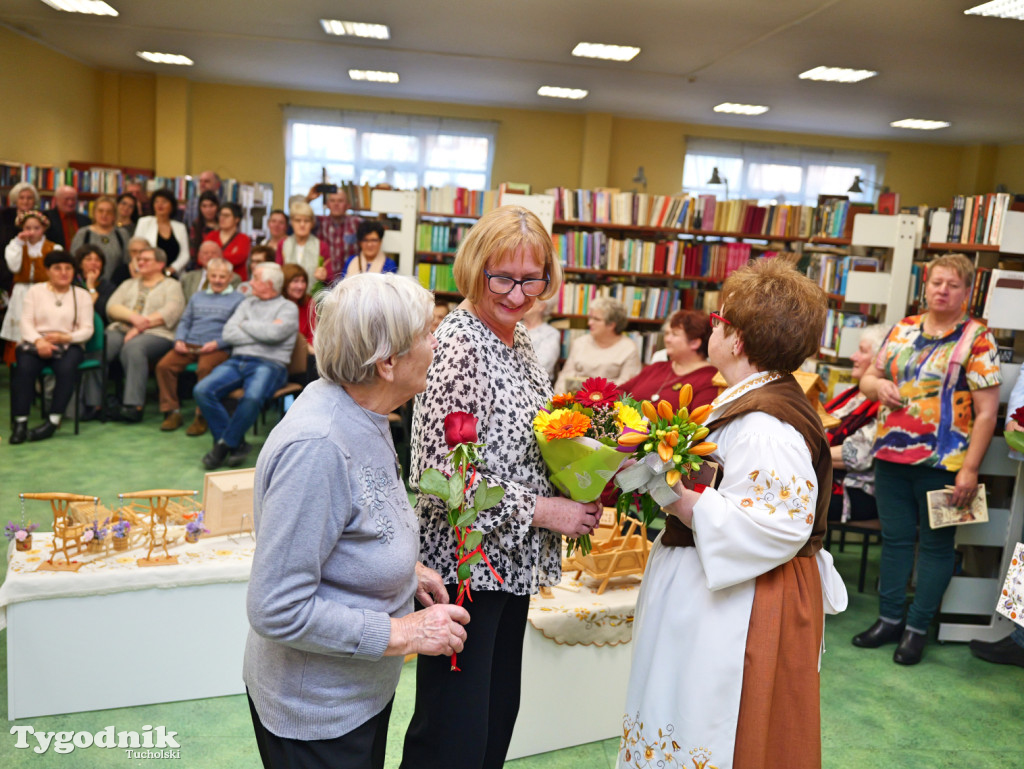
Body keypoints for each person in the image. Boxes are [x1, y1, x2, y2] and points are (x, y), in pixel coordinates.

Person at [620, 257, 846, 769]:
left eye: (719, 320)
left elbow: (779, 523)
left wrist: (672, 494)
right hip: (717, 589)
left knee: (717, 724)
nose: (713, 328)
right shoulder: (750, 402)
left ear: (738, 339)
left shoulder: (767, 425)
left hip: (739, 604)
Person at [400, 206, 602, 769]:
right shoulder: (461, 346)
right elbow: (445, 479)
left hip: (506, 565)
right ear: (475, 270)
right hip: (467, 568)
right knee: (453, 733)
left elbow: (524, 443)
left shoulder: (518, 340)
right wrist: (547, 510)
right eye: (503, 278)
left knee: (491, 719)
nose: (517, 294)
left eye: (531, 279)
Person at [243, 272, 470, 769]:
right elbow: (275, 608)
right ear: (387, 362)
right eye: (427, 335)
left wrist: (403, 570)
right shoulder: (319, 446)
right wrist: (405, 634)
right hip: (317, 713)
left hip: (355, 693)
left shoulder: (364, 409)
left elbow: (354, 524)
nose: (437, 346)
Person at [853, 253, 1001, 666]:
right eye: (937, 282)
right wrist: (877, 385)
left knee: (936, 547)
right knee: (896, 541)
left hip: (947, 462)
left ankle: (917, 629)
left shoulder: (977, 338)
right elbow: (866, 378)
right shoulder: (902, 329)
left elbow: (987, 412)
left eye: (953, 285)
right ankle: (889, 621)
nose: (942, 290)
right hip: (891, 456)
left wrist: (970, 468)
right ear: (926, 285)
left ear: (968, 292)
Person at [193, 262, 298, 470]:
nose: (250, 282)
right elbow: (228, 333)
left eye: (255, 278)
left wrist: (245, 326)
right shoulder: (246, 304)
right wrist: (262, 333)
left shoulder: (288, 308)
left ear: (268, 284)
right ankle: (235, 442)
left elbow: (275, 335)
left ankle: (223, 446)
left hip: (270, 364)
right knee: (202, 390)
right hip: (237, 361)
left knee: (252, 397)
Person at [8, 250, 93, 444]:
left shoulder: (82, 295)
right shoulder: (35, 291)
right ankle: (20, 423)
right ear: (47, 271)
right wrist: (39, 341)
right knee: (25, 369)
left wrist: (66, 337)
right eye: (57, 268)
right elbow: (26, 323)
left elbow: (87, 329)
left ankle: (53, 421)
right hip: (36, 341)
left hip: (68, 343)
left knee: (66, 369)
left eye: (68, 268)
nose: (63, 272)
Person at [156, 256, 245, 435]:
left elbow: (239, 329)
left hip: (218, 347)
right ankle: (172, 411)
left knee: (205, 369)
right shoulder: (197, 297)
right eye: (213, 276)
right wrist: (179, 340)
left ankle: (202, 416)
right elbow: (185, 321)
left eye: (222, 276)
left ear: (230, 278)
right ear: (208, 276)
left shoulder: (239, 299)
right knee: (163, 366)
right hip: (189, 343)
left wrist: (217, 343)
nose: (218, 280)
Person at [104, 245, 185, 422]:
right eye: (139, 260)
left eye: (146, 259)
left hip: (158, 333)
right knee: (105, 344)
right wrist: (134, 319)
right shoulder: (128, 284)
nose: (140, 262)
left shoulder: (172, 285)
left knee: (134, 348)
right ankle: (93, 403)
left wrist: (141, 326)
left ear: (161, 263)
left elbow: (171, 311)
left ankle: (133, 406)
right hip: (123, 328)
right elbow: (112, 306)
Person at [822, 324, 889, 522]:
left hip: (853, 492)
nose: (853, 357)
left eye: (862, 351)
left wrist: (800, 452)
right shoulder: (853, 395)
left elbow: (855, 456)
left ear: (879, 361)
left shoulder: (883, 404)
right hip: (825, 479)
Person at [620, 308, 717, 408]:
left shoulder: (710, 380)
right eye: (666, 334)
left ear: (694, 343)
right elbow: (620, 392)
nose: (667, 339)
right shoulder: (657, 367)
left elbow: (699, 421)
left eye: (674, 334)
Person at [553, 296, 641, 393]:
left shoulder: (629, 348)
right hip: (574, 401)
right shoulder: (580, 343)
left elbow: (627, 387)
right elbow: (564, 379)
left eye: (596, 319)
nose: (590, 322)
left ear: (611, 325)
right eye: (590, 317)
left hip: (610, 404)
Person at [2, 210, 61, 350]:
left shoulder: (53, 248)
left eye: (36, 228)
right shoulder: (15, 246)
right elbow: (14, 267)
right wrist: (18, 244)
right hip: (22, 292)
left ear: (44, 229)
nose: (32, 232)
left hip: (46, 292)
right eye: (28, 228)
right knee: (21, 328)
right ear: (22, 229)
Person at [305, 186, 360, 283]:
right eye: (332, 201)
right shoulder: (318, 222)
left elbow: (374, 233)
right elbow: (299, 218)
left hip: (349, 281)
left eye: (340, 201)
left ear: (347, 205)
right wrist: (308, 199)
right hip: (323, 281)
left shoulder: (356, 223)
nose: (336, 204)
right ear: (327, 204)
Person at [69, 195, 129, 282]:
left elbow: (127, 262)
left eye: (109, 212)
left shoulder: (122, 234)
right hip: (86, 284)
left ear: (114, 215)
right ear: (94, 213)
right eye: (100, 211)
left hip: (116, 286)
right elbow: (74, 262)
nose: (104, 215)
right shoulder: (83, 233)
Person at [134, 188, 190, 275]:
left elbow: (185, 255)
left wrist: (171, 269)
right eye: (156, 201)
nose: (160, 205)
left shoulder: (180, 227)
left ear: (172, 206)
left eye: (164, 202)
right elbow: (136, 249)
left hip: (174, 274)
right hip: (148, 272)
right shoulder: (144, 222)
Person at [0, 182, 40, 293]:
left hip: (33, 271)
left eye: (29, 198)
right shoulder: (4, 216)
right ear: (15, 199)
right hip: (5, 270)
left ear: (34, 200)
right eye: (21, 198)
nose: (25, 201)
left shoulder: (41, 218)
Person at [275, 201, 325, 287]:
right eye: (298, 220)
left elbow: (329, 278)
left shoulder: (321, 246)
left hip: (312, 296)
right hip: (287, 295)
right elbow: (277, 273)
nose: (302, 225)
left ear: (312, 223)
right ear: (291, 222)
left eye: (306, 221)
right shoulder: (283, 244)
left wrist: (324, 275)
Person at [204, 202, 252, 281]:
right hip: (213, 280)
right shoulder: (211, 235)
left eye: (226, 216)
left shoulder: (243, 238)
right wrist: (227, 256)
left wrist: (213, 258)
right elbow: (201, 258)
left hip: (235, 280)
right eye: (221, 215)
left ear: (237, 219)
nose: (222, 218)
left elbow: (239, 258)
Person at [73, 244, 116, 322]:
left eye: (98, 260)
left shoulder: (108, 286)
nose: (94, 263)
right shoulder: (72, 283)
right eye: (88, 259)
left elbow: (101, 311)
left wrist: (91, 286)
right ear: (80, 264)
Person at [522, 298, 559, 382]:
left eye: (529, 300)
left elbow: (543, 366)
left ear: (542, 306)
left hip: (537, 387)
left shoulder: (551, 334)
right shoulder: (511, 327)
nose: (522, 303)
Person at [188, 190, 221, 265]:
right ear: (200, 208)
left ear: (217, 206)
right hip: (200, 265)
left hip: (220, 264)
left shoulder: (223, 225)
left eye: (211, 205)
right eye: (204, 206)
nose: (208, 210)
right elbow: (193, 252)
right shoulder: (196, 226)